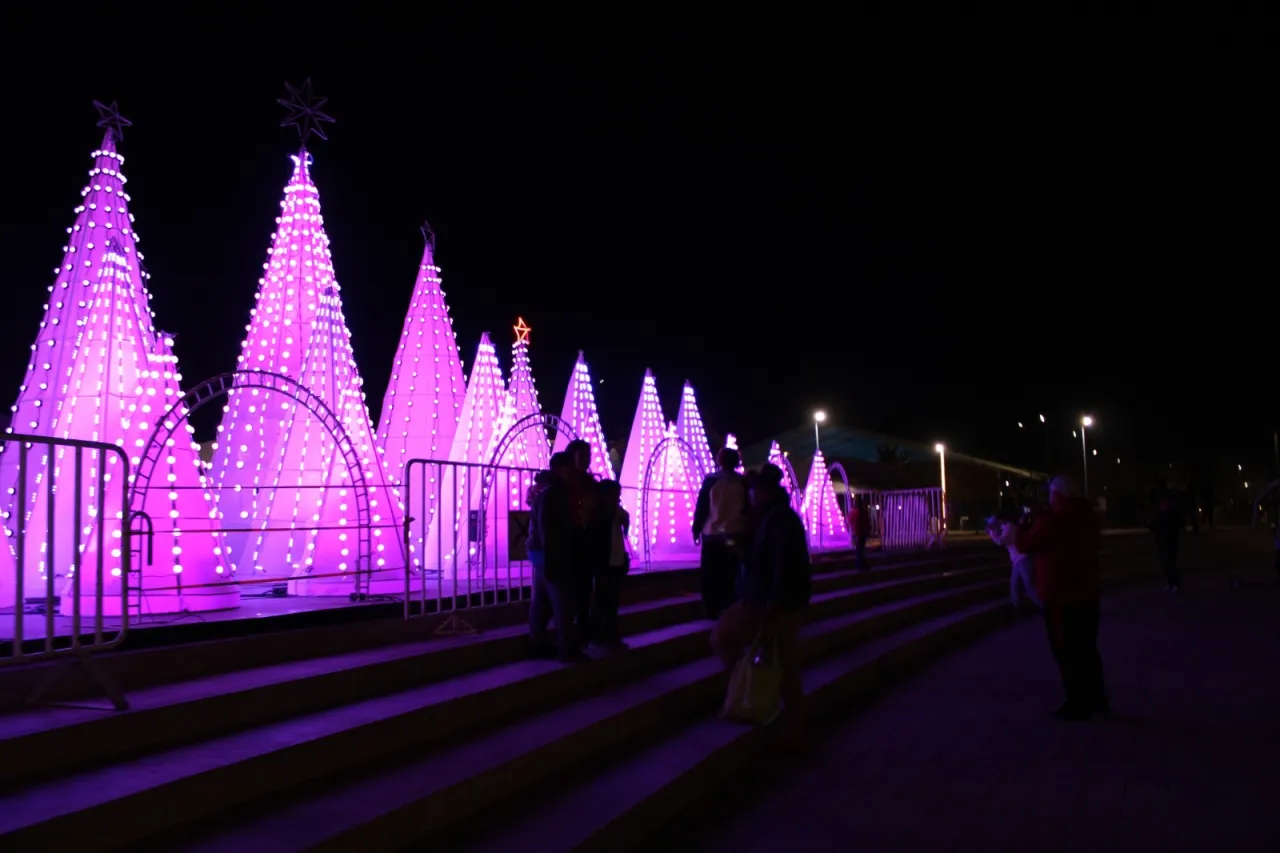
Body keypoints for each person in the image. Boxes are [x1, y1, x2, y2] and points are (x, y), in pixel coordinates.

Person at [711, 463, 812, 743]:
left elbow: (782, 567)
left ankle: (783, 721)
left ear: (763, 493)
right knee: (784, 664)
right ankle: (791, 725)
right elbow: (764, 561)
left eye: (752, 491)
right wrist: (737, 546)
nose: (749, 496)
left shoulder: (778, 521)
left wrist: (773, 606)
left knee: (725, 637)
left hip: (772, 603)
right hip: (776, 601)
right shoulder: (773, 518)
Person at [1016, 475, 1107, 722]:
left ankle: (1076, 702)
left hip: (1061, 598)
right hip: (1087, 594)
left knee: (1066, 651)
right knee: (1087, 650)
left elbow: (1025, 544)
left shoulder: (1053, 521)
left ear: (1057, 495)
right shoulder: (1089, 517)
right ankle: (1098, 700)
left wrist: (1025, 524)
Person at [527, 452, 589, 664]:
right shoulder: (554, 493)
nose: (575, 471)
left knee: (542, 600)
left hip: (543, 553)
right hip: (552, 554)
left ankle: (538, 642)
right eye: (571, 467)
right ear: (561, 469)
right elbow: (548, 527)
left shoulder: (547, 491)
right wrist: (555, 554)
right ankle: (567, 647)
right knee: (562, 601)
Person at [692, 447, 750, 619]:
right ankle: (729, 605)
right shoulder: (743, 482)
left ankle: (712, 608)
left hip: (712, 535)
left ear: (720, 461)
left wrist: (696, 528)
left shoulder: (711, 480)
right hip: (734, 534)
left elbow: (702, 507)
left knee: (710, 573)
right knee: (731, 572)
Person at [563, 439, 599, 646]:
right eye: (583, 455)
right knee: (572, 589)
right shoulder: (563, 481)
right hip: (571, 540)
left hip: (586, 539)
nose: (587, 459)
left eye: (589, 455)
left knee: (584, 587)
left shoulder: (588, 481)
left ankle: (583, 629)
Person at [589, 479, 631, 650]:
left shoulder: (616, 513)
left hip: (615, 561)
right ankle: (600, 636)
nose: (617, 498)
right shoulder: (601, 513)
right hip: (604, 562)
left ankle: (609, 636)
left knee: (610, 601)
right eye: (615, 495)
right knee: (602, 600)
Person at [988, 509, 1039, 612]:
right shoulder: (1005, 527)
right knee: (1014, 582)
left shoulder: (1009, 527)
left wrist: (991, 532)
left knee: (1029, 583)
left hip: (1022, 558)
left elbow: (1000, 542)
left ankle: (1041, 604)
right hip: (1017, 559)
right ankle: (1016, 606)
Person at [1149, 479, 1184, 593]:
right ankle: (1171, 583)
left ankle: (1175, 583)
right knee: (1166, 563)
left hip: (1168, 540)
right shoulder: (1163, 513)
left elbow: (1171, 526)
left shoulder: (1170, 514)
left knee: (1170, 563)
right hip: (1163, 540)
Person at [847, 493, 872, 572]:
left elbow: (849, 520)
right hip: (860, 533)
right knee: (860, 549)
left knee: (860, 549)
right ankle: (860, 565)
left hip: (859, 533)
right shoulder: (860, 512)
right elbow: (867, 522)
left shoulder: (855, 512)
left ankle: (860, 564)